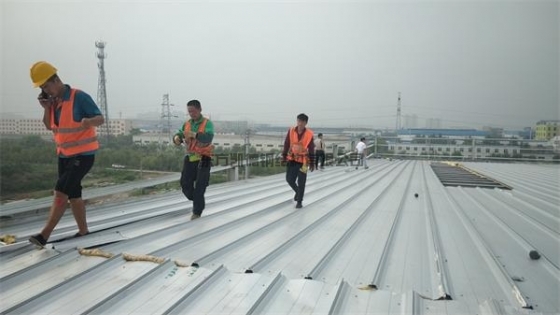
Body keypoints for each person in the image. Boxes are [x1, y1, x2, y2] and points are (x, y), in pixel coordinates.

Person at [28, 61, 105, 248]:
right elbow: (49, 126)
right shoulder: (54, 103)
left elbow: (100, 119)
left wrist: (88, 122)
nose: (46, 91)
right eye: (43, 88)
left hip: (83, 155)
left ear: (56, 80)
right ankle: (83, 231)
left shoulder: (79, 97)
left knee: (61, 189)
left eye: (46, 86)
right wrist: (46, 108)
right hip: (64, 155)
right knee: (73, 194)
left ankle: (44, 235)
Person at [173, 100, 214, 220]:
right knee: (185, 184)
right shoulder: (187, 124)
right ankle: (196, 198)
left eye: (194, 111)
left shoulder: (207, 123)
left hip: (205, 157)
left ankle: (197, 212)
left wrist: (194, 134)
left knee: (200, 186)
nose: (191, 113)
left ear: (200, 109)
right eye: (189, 111)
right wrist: (176, 138)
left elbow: (208, 138)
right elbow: (180, 134)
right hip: (190, 157)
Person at [282, 113, 315, 209]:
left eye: (302, 122)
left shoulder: (309, 134)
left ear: (305, 123)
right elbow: (287, 143)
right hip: (292, 159)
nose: (300, 123)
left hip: (304, 161)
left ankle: (299, 201)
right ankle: (297, 191)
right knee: (289, 179)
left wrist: (312, 162)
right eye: (298, 121)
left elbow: (311, 148)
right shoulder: (291, 130)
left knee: (302, 181)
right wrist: (284, 156)